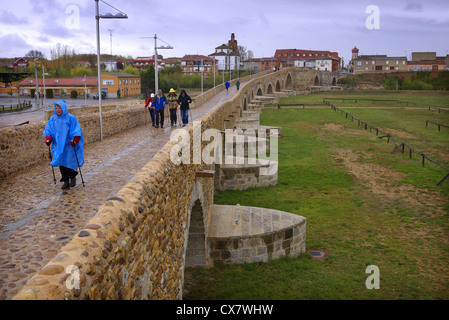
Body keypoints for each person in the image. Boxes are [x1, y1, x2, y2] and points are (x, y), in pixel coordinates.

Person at [43, 100, 84, 190]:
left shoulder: (71, 118)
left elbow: (76, 130)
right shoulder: (53, 119)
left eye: (59, 108)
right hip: (57, 146)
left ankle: (72, 176)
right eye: (56, 108)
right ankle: (66, 181)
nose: (58, 110)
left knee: (68, 163)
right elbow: (48, 130)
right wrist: (48, 139)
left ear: (63, 108)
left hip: (69, 146)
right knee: (61, 164)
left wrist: (75, 140)